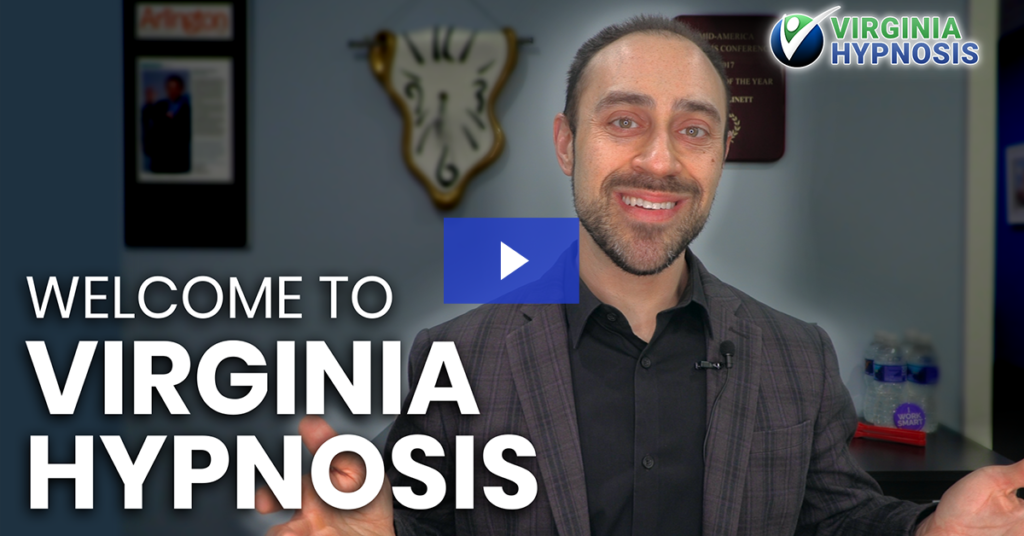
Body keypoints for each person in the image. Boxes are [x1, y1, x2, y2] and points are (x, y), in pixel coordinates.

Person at [257, 15, 1024, 536]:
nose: (659, 161)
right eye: (624, 121)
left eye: (693, 129)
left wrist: (929, 529)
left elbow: (839, 520)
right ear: (567, 144)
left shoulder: (799, 355)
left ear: (720, 152)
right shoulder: (456, 356)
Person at [140, 74, 191, 173]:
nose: (172, 91)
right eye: (169, 87)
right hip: (159, 162)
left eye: (175, 87)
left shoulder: (188, 109)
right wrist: (148, 102)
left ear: (181, 88)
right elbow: (147, 116)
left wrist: (165, 120)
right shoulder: (160, 104)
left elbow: (183, 134)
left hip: (178, 163)